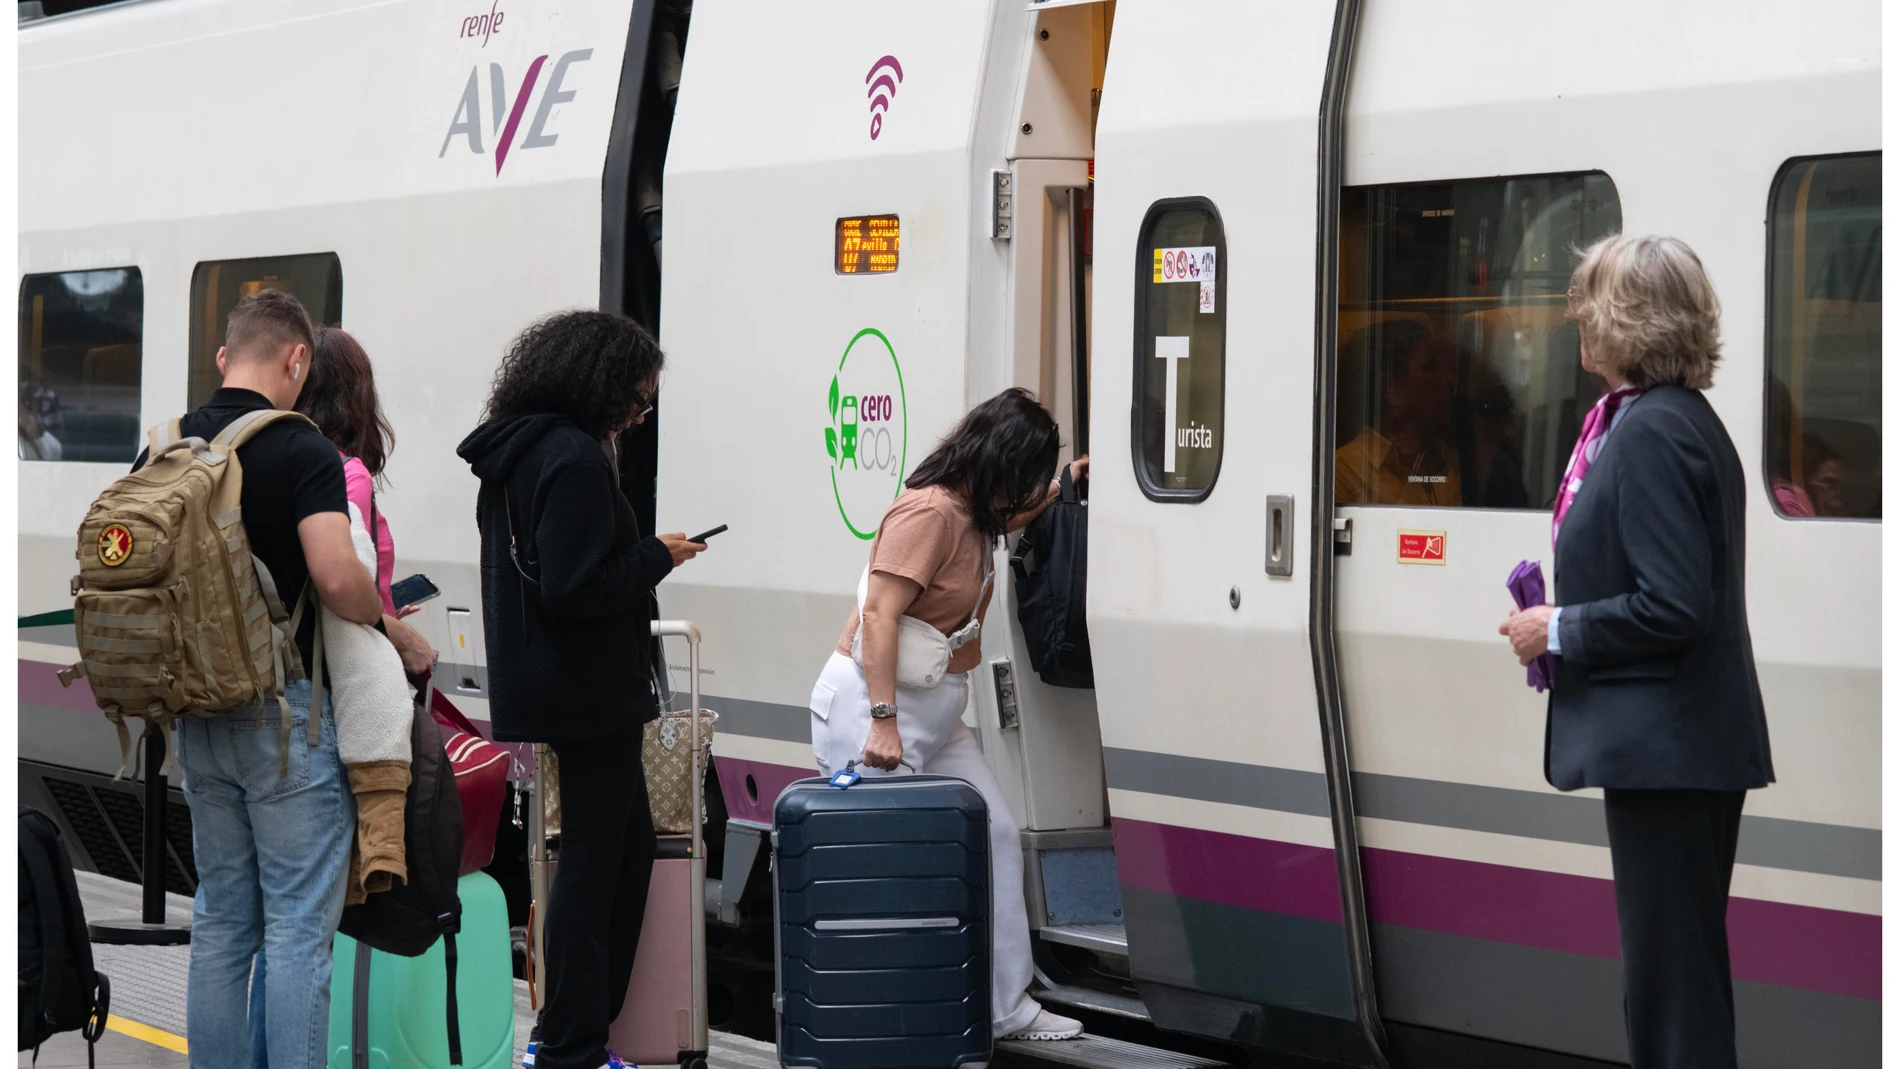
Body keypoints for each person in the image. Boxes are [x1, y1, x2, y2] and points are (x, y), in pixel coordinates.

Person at [1499, 234, 1772, 1069]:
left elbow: (1674, 603)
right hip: (1682, 750)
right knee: (1678, 981)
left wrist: (1558, 628)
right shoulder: (1679, 420)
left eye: (1587, 311)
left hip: (1669, 754)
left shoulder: (1649, 433)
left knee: (1670, 993)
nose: (1576, 326)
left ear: (1623, 326)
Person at [457, 310, 704, 1069]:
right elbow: (575, 584)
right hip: (589, 690)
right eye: (637, 394)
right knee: (595, 867)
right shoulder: (572, 458)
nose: (640, 410)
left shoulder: (521, 447)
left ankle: (582, 1029)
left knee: (620, 852)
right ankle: (568, 1045)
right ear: (597, 381)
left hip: (558, 683)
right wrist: (654, 557)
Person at [811, 387, 1088, 1043]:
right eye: (1024, 475)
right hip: (874, 707)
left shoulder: (976, 512)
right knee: (887, 869)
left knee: (993, 834)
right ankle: (876, 1019)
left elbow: (1023, 508)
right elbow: (879, 614)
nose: (1025, 491)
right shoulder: (930, 513)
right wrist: (882, 719)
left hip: (936, 715)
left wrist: (1061, 487)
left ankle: (1006, 1007)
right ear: (998, 461)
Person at [153, 289, 384, 1069]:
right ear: (296, 361)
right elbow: (334, 577)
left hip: (194, 713)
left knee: (220, 921)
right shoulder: (302, 449)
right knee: (294, 930)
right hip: (284, 723)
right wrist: (389, 621)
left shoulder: (165, 446)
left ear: (223, 358)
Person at [295, 326, 437, 676]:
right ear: (356, 394)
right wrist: (396, 632)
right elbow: (335, 587)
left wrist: (383, 609)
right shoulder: (348, 474)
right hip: (350, 671)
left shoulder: (293, 461)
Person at [1335, 321, 1463, 506]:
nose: (1448, 379)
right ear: (1389, 385)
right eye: (1429, 367)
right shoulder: (1344, 471)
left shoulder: (1450, 458)